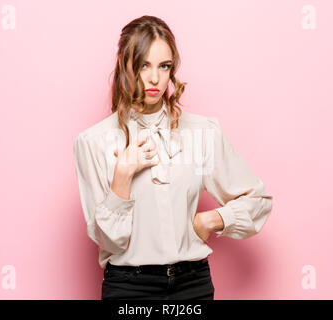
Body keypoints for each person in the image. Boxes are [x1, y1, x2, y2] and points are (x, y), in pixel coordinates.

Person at [73, 15, 273, 300]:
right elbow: (110, 241)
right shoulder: (93, 142)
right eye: (144, 65)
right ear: (124, 67)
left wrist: (212, 220)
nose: (155, 78)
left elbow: (258, 200)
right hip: (129, 289)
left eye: (164, 66)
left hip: (192, 286)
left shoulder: (201, 132)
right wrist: (122, 177)